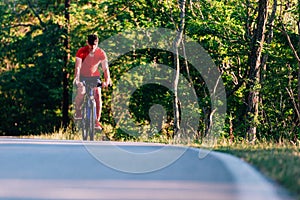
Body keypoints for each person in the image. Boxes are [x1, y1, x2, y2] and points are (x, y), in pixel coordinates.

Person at [74, 34, 111, 130]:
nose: (92, 48)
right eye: (90, 46)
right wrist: (77, 80)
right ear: (87, 43)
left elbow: (105, 68)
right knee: (81, 92)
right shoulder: (81, 51)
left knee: (98, 95)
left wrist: (107, 80)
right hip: (82, 76)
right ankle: (78, 110)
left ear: (97, 43)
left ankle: (96, 122)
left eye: (94, 46)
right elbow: (78, 67)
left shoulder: (101, 53)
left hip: (94, 77)